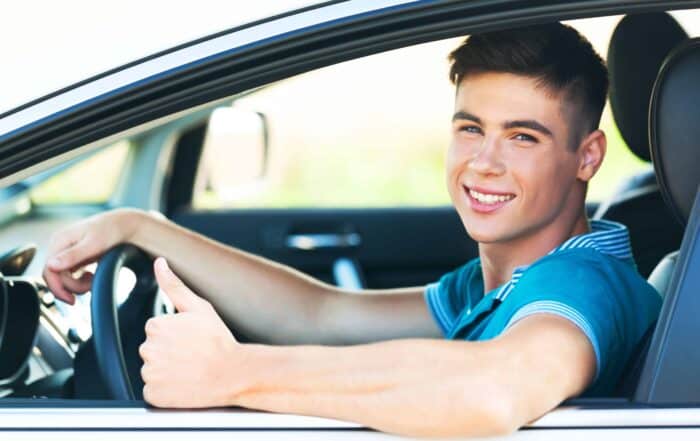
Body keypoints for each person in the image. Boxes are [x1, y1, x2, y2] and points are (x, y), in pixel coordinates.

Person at [43, 23, 661, 438]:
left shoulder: (583, 282)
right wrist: (144, 228)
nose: (483, 162)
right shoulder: (497, 282)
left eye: (523, 136)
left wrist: (233, 373)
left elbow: (497, 390)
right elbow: (320, 314)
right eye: (470, 128)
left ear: (588, 156)